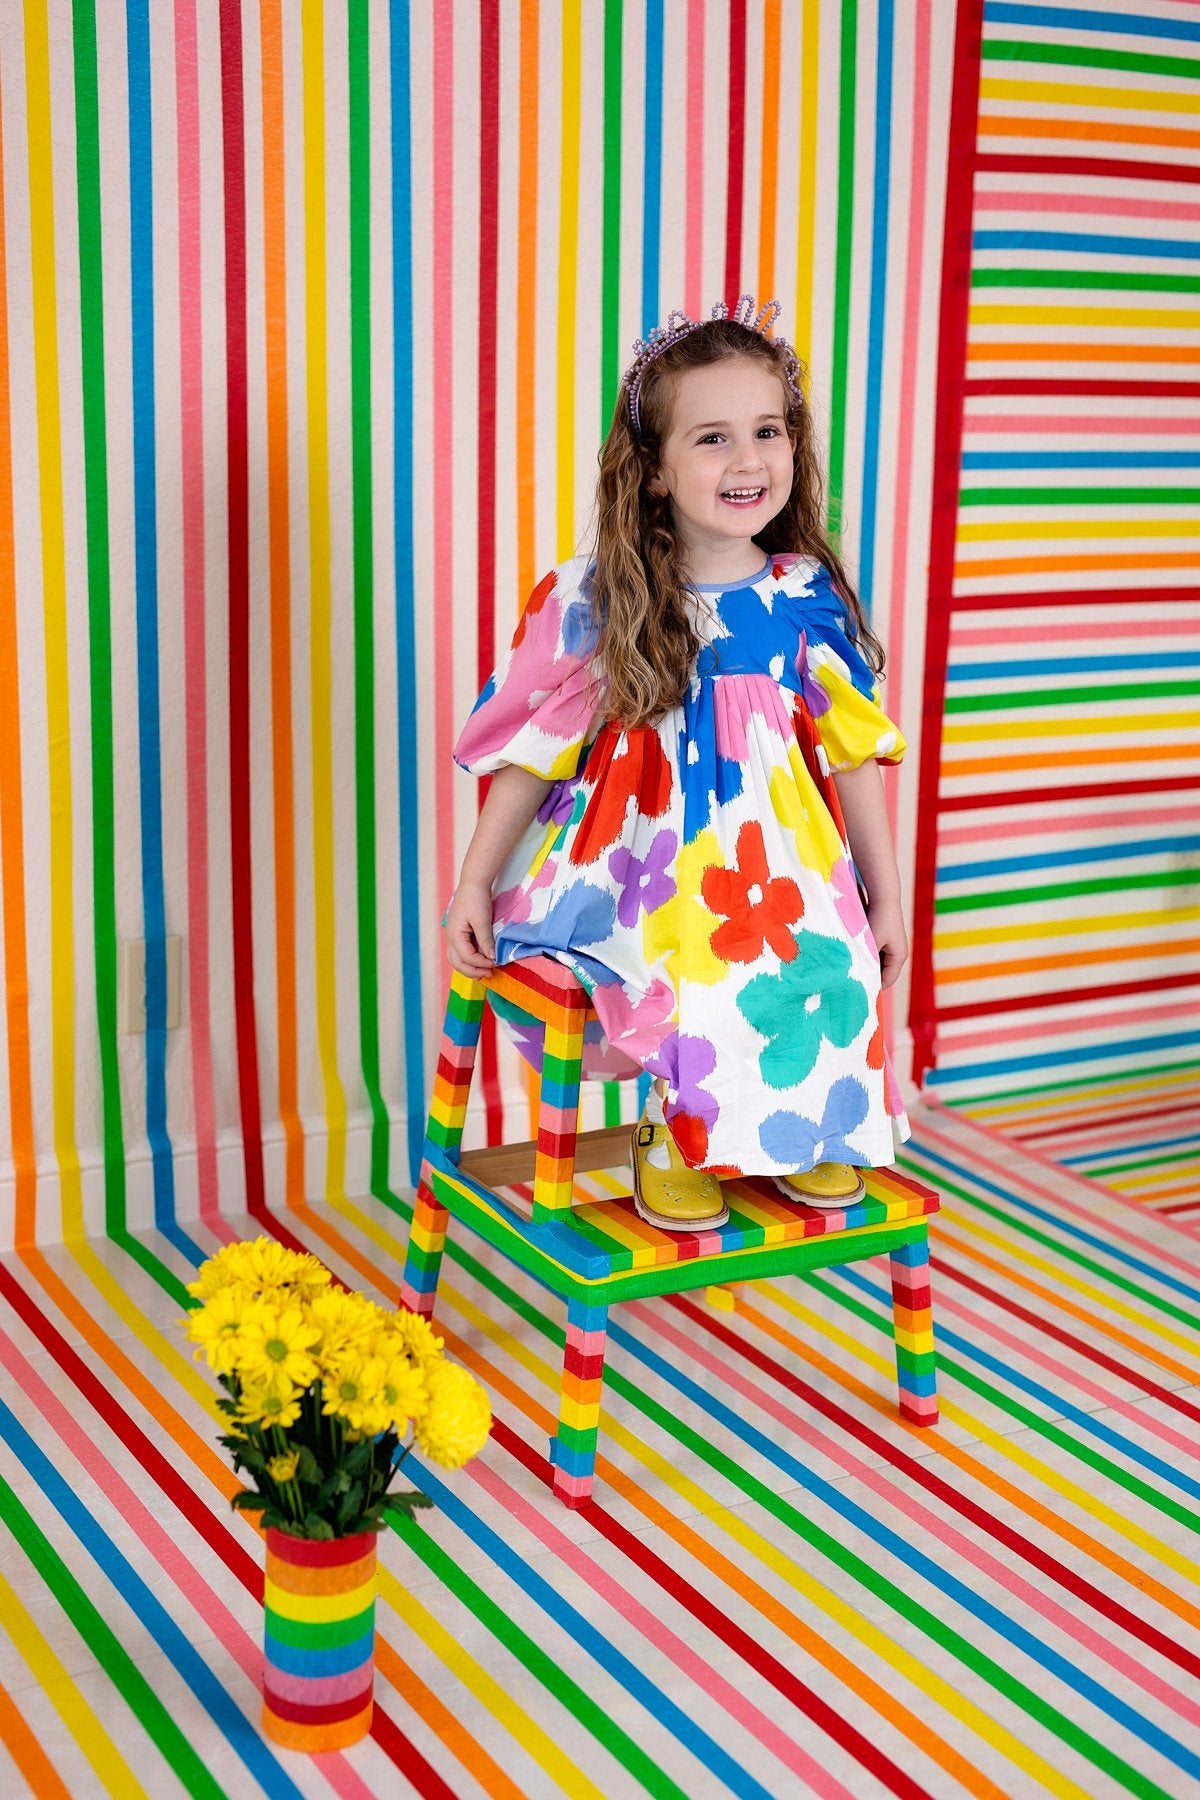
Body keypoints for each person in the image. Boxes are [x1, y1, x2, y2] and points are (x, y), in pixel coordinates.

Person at [444, 294, 910, 1232]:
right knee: (694, 962)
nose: (748, 460)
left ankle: (814, 1123)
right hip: (640, 856)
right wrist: (474, 880)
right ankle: (678, 1132)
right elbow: (537, 750)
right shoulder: (601, 596)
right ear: (653, 469)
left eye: (767, 431)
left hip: (779, 859)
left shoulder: (803, 595)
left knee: (831, 962)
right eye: (712, 439)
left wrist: (883, 893)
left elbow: (852, 752)